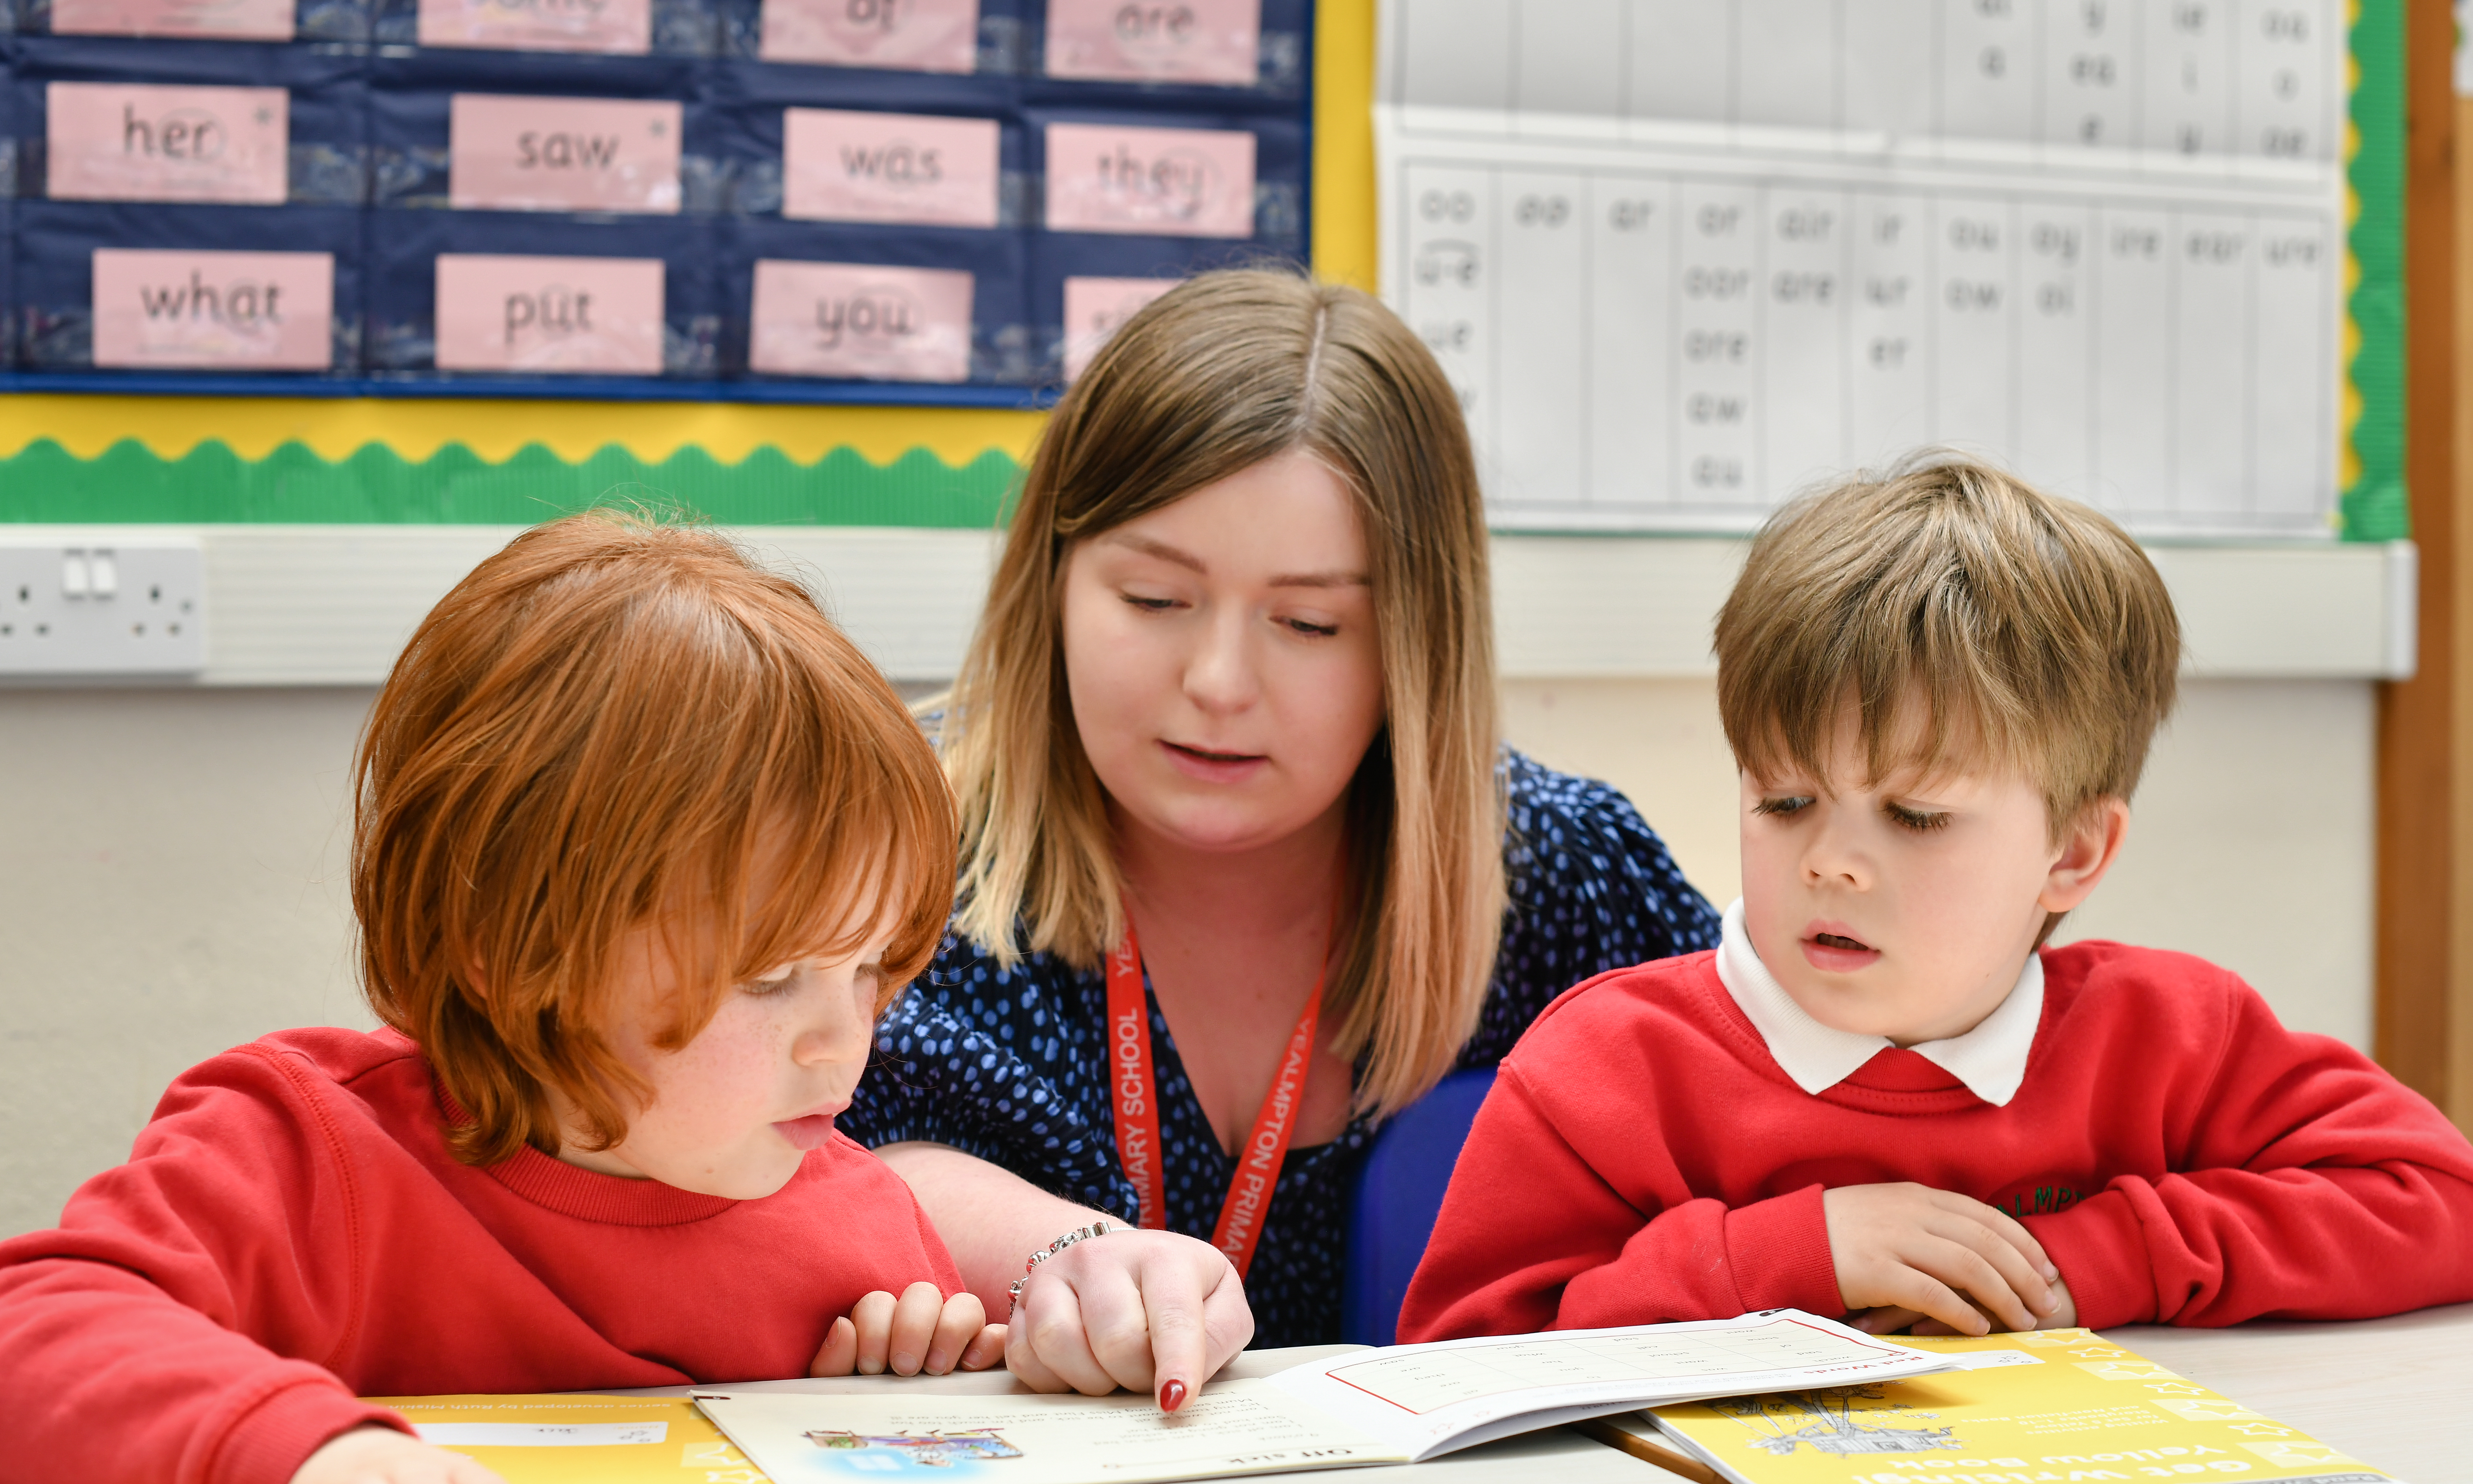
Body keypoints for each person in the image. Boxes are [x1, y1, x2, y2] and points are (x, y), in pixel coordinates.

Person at [0, 513, 1005, 1484]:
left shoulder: (861, 1230)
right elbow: (18, 1334)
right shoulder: (307, 1153)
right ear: (512, 947)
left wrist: (900, 1401)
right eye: (773, 973)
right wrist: (311, 1458)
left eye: (873, 968)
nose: (845, 1044)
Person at [842, 269, 1719, 1400]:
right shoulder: (891, 854)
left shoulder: (1561, 871)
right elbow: (795, 1165)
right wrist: (1058, 1255)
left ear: (1416, 641)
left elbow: (1773, 1120)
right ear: (1049, 584)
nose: (1216, 683)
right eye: (1154, 599)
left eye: (1309, 623)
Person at [1399, 456, 2473, 1343]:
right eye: (1783, 800)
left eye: (1912, 817)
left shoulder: (2172, 1039)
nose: (1831, 861)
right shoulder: (1607, 1069)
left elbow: (2440, 1200)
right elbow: (1458, 1360)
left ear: (2073, 851)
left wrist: (2098, 1257)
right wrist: (1792, 1254)